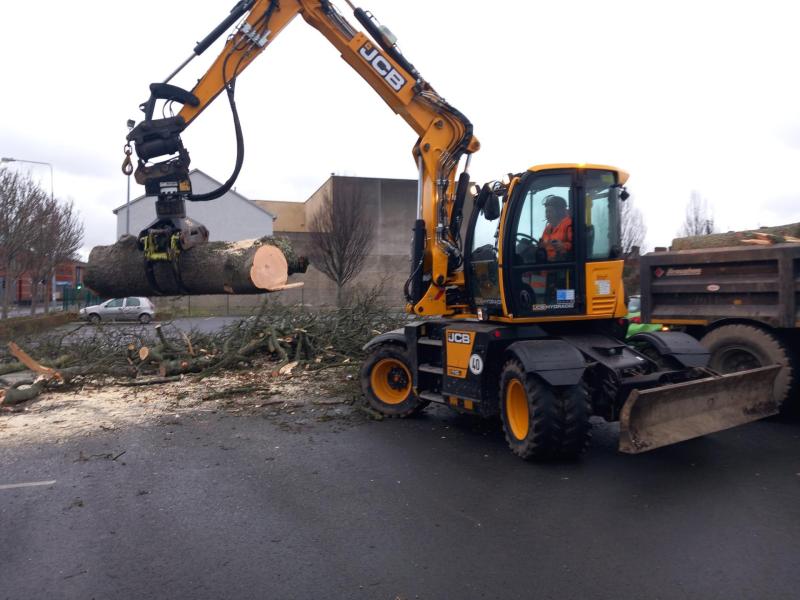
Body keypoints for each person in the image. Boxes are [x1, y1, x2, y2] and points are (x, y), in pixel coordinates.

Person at [540, 195, 573, 261]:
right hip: (547, 263)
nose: (547, 215)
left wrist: (563, 246)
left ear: (559, 212)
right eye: (546, 212)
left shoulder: (569, 224)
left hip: (561, 265)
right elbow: (543, 243)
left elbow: (577, 246)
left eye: (550, 212)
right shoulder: (548, 228)